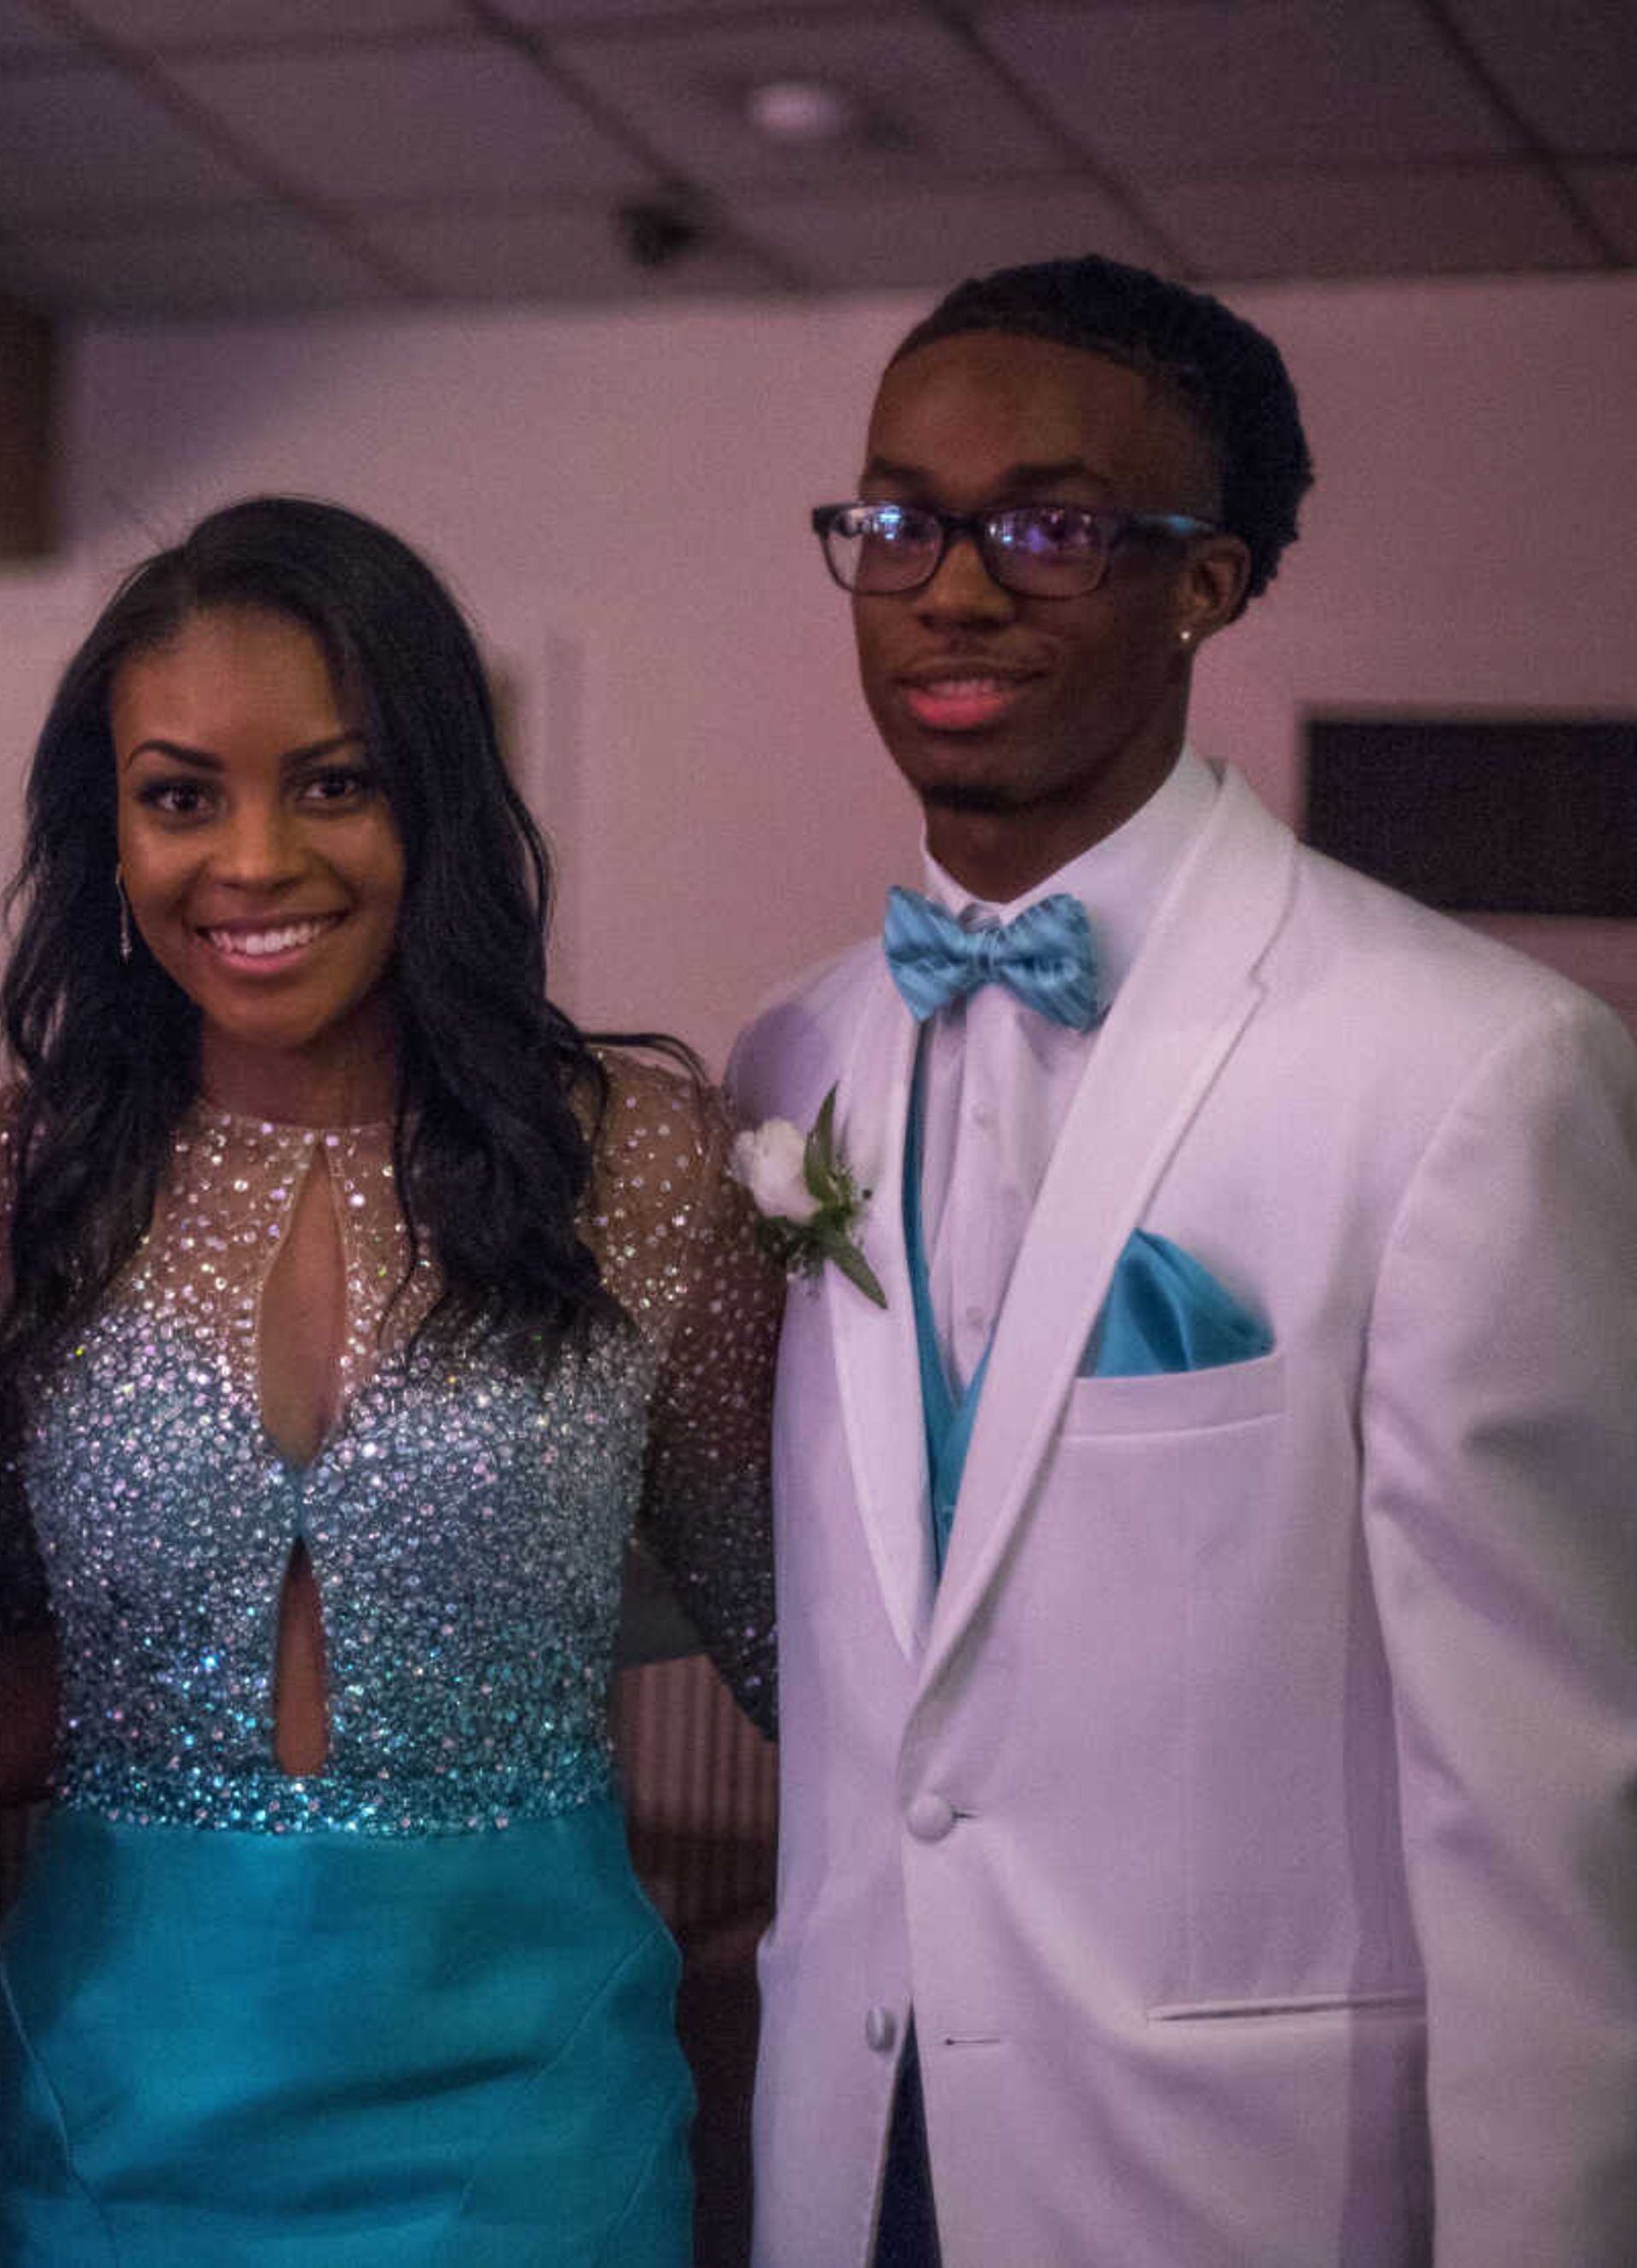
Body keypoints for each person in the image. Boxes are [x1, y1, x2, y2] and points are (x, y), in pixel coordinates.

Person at [729, 255, 1637, 2265]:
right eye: (896, 521)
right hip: (841, 2143)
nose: (951, 590)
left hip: (1236, 2185)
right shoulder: (792, 1055)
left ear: (1207, 584)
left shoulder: (1474, 1071)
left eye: (1046, 528)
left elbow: (1545, 1819)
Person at [0, 495, 780, 2263]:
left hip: (530, 2128)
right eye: (181, 794)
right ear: (107, 831)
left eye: (332, 781)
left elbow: (793, 1640)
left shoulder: (637, 1158)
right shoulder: (18, 1176)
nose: (253, 859)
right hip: (107, 2121)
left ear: (438, 805)